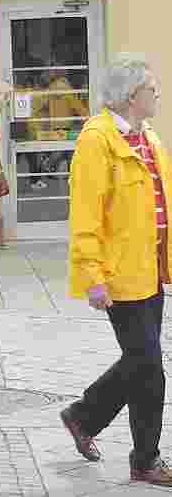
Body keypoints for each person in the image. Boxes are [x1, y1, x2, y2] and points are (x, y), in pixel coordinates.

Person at [60, 56, 172, 486]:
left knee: (141, 363)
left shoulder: (149, 138)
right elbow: (86, 216)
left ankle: (83, 416)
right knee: (149, 367)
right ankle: (145, 459)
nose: (158, 94)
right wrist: (93, 277)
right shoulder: (98, 140)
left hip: (151, 272)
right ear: (131, 96)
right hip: (120, 277)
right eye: (152, 88)